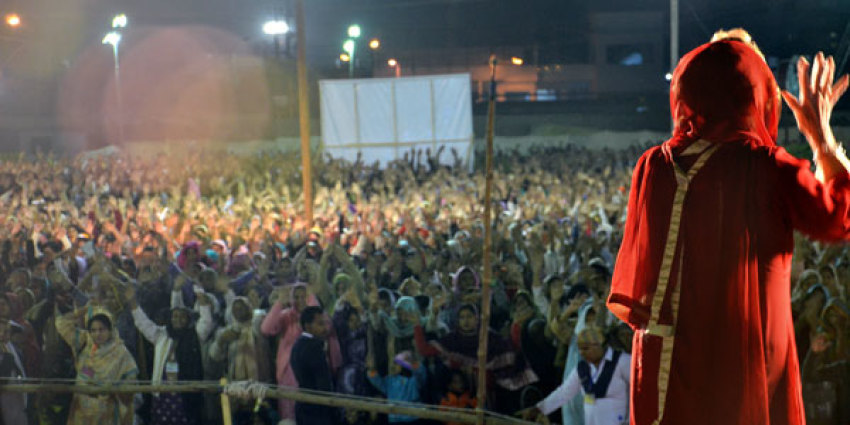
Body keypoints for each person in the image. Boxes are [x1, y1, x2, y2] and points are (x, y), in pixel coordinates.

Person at [607, 29, 850, 424]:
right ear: (754, 92)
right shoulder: (767, 166)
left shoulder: (653, 167)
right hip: (744, 370)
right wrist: (821, 139)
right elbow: (839, 218)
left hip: (667, 368)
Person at [518, 326, 630, 425]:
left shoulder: (623, 361)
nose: (582, 353)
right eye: (581, 348)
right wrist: (539, 409)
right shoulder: (583, 368)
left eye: (586, 348)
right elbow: (564, 392)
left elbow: (638, 393)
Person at [55, 305, 138, 425]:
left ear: (110, 329)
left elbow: (130, 384)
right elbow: (61, 323)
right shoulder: (85, 342)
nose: (97, 334)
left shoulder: (121, 353)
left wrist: (110, 391)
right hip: (81, 411)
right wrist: (83, 309)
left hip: (106, 414)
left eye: (102, 329)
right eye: (93, 330)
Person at [290, 305, 338, 425]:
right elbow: (323, 384)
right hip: (317, 411)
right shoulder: (315, 347)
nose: (325, 328)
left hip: (303, 405)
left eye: (325, 323)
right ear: (308, 326)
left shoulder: (297, 345)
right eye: (320, 324)